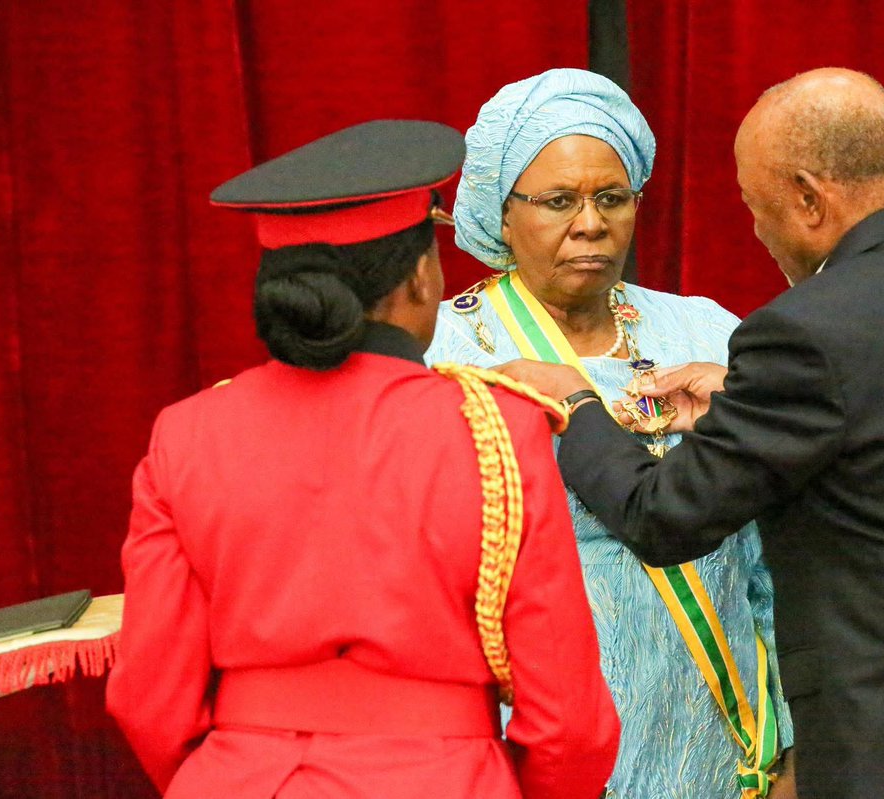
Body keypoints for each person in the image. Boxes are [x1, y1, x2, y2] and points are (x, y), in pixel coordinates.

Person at [498, 68, 884, 799]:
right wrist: (746, 404)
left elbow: (662, 515)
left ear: (806, 195)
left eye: (756, 205)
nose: (758, 230)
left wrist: (577, 402)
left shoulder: (806, 332)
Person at [106, 120, 619, 799]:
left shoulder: (187, 433)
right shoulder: (497, 427)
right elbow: (569, 723)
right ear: (418, 278)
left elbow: (149, 696)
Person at [426, 68, 795, 799]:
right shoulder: (449, 356)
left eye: (612, 198)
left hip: (732, 744)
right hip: (549, 755)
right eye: (559, 201)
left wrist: (789, 740)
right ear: (501, 215)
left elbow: (771, 556)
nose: (591, 223)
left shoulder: (705, 330)